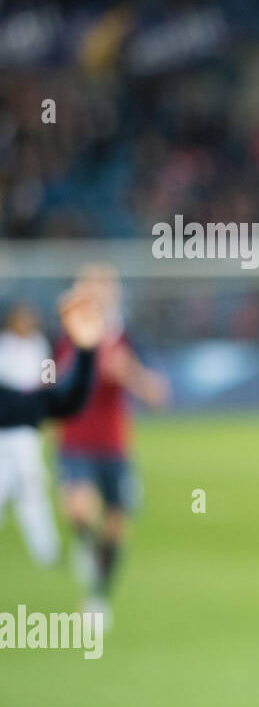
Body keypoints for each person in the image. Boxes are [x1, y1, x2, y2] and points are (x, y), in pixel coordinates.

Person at [55, 265, 169, 623]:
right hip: (75, 442)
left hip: (114, 446)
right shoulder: (67, 336)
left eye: (105, 289)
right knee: (79, 511)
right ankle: (87, 549)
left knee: (116, 527)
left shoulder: (127, 339)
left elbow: (158, 395)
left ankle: (98, 598)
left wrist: (129, 373)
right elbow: (49, 382)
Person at [0, 302, 61, 564]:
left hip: (27, 429)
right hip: (4, 427)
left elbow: (47, 382)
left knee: (33, 488)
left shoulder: (39, 346)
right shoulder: (4, 346)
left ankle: (46, 550)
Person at [0, 290, 102, 431]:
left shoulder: (38, 344)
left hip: (25, 433)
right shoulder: (4, 343)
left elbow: (56, 396)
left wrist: (85, 351)